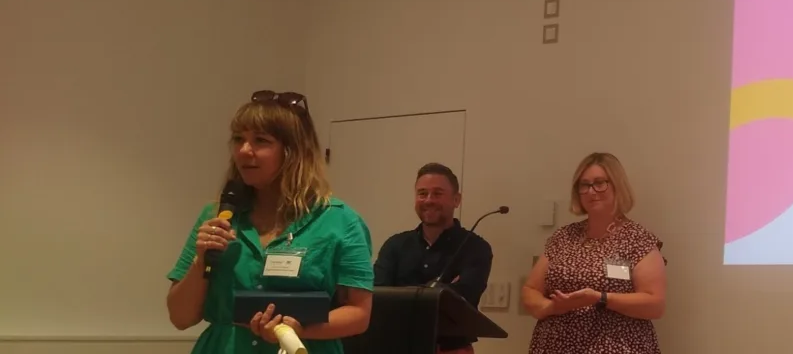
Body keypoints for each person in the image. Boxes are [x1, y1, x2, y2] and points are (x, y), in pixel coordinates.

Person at [165, 90, 375, 354]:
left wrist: (293, 330)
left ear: (293, 152)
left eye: (260, 141)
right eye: (238, 139)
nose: (244, 150)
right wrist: (201, 261)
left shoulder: (340, 221)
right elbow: (180, 318)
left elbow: (359, 314)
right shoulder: (215, 216)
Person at [522, 152, 666, 353]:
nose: (591, 191)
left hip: (617, 346)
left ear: (617, 185)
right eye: (584, 185)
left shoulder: (637, 239)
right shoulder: (563, 237)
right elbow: (530, 290)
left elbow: (654, 304)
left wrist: (600, 298)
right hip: (554, 346)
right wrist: (551, 307)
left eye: (600, 183)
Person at [374, 162, 494, 354]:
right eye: (422, 193)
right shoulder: (394, 245)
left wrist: (403, 294)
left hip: (451, 350)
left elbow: (462, 300)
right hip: (396, 346)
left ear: (456, 200)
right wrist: (438, 291)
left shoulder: (475, 247)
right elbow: (379, 296)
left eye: (438, 193)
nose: (429, 200)